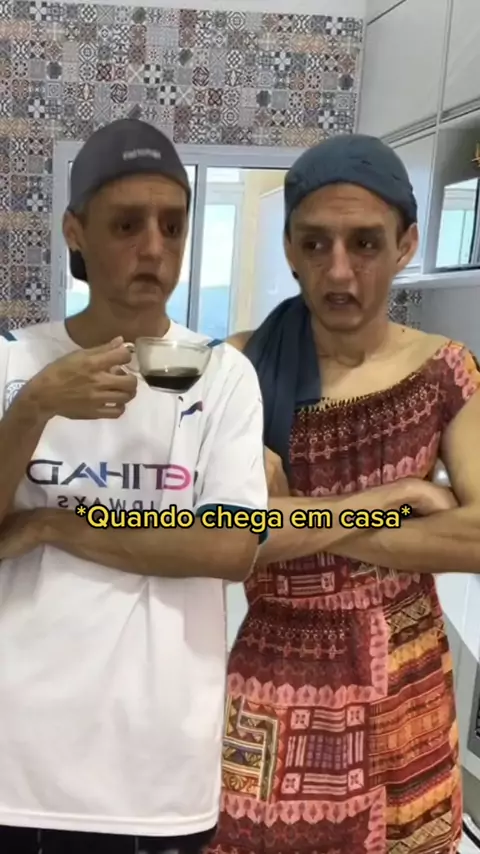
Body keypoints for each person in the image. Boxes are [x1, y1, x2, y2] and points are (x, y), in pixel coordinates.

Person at [0, 119, 268, 854]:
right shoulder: (14, 364)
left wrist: (53, 525)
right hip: (17, 759)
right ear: (75, 232)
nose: (154, 248)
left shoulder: (222, 374)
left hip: (158, 771)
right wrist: (33, 408)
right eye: (126, 225)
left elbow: (229, 549)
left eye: (172, 226)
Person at [206, 134, 480, 854]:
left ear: (406, 244)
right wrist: (399, 495)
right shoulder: (237, 369)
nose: (338, 270)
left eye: (364, 243)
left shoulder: (446, 373)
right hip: (274, 684)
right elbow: (224, 539)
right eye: (315, 243)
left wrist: (295, 522)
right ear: (289, 249)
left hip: (406, 688)